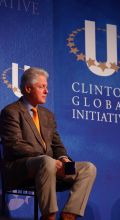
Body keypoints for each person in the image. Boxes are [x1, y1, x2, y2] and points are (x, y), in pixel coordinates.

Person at [0, 67, 97, 220]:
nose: (46, 91)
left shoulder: (47, 115)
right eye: (41, 87)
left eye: (46, 87)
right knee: (47, 162)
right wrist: (51, 161)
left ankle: (69, 215)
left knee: (88, 168)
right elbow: (14, 145)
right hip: (21, 169)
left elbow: (57, 145)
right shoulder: (11, 112)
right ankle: (49, 216)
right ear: (28, 88)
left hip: (51, 166)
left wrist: (64, 159)